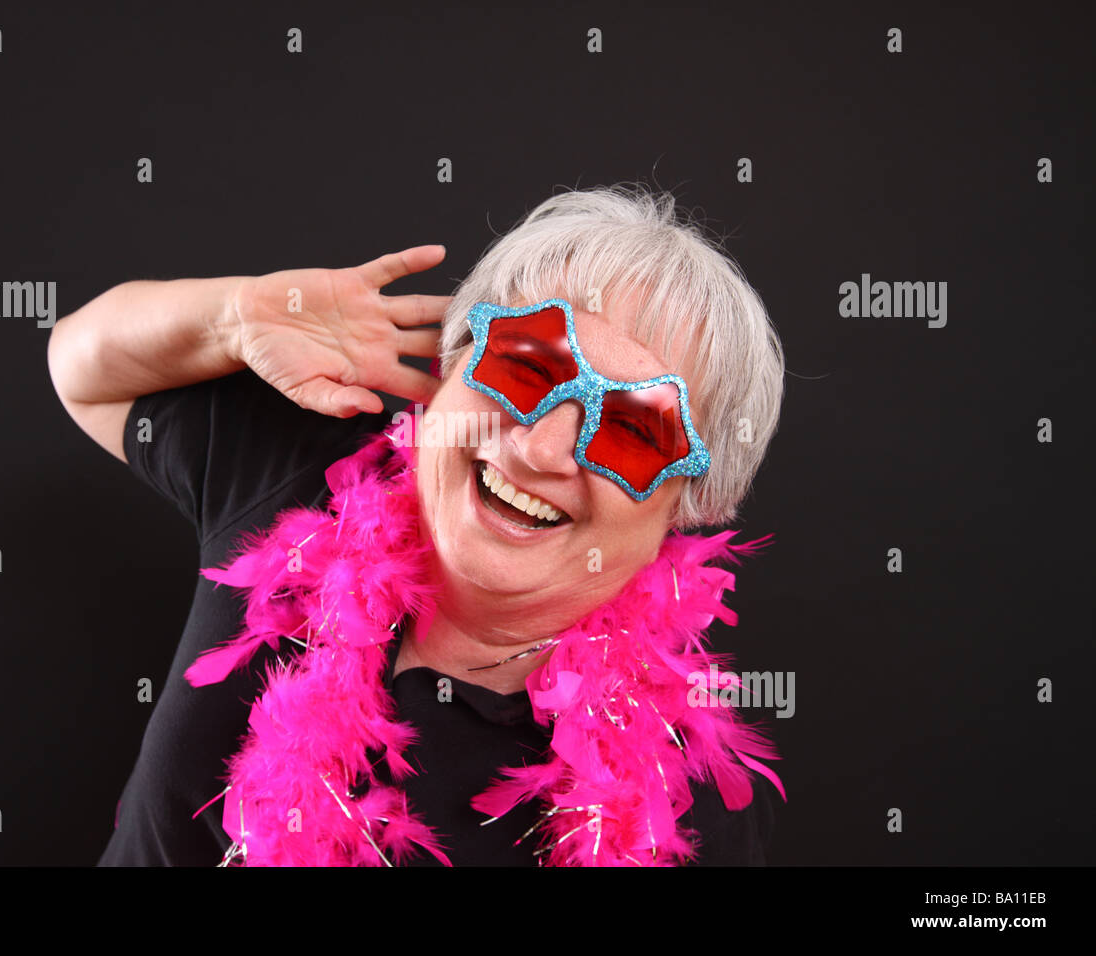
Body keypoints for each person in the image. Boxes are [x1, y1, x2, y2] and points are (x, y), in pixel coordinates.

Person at [48, 184, 787, 866]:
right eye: (527, 366)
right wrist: (231, 316)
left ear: (687, 508)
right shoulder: (306, 467)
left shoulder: (679, 800)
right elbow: (81, 370)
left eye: (631, 430)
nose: (539, 447)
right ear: (455, 364)